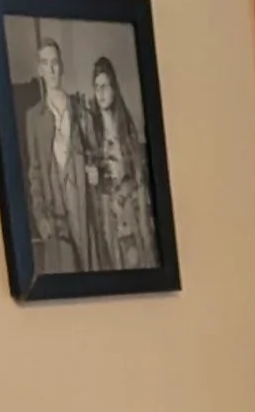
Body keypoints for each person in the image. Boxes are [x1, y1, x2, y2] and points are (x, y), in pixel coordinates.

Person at [24, 37, 101, 274]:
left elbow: (96, 154)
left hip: (82, 207)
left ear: (62, 66)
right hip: (55, 212)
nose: (52, 69)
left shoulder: (80, 111)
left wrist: (95, 171)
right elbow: (34, 172)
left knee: (91, 269)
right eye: (46, 63)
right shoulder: (34, 117)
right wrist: (40, 218)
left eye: (55, 62)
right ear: (40, 70)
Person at [87, 56, 158, 270]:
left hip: (130, 208)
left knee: (138, 260)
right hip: (109, 213)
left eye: (105, 86)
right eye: (97, 87)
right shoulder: (92, 130)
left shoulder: (126, 128)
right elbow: (93, 177)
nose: (101, 92)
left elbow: (138, 174)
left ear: (114, 89)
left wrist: (125, 192)